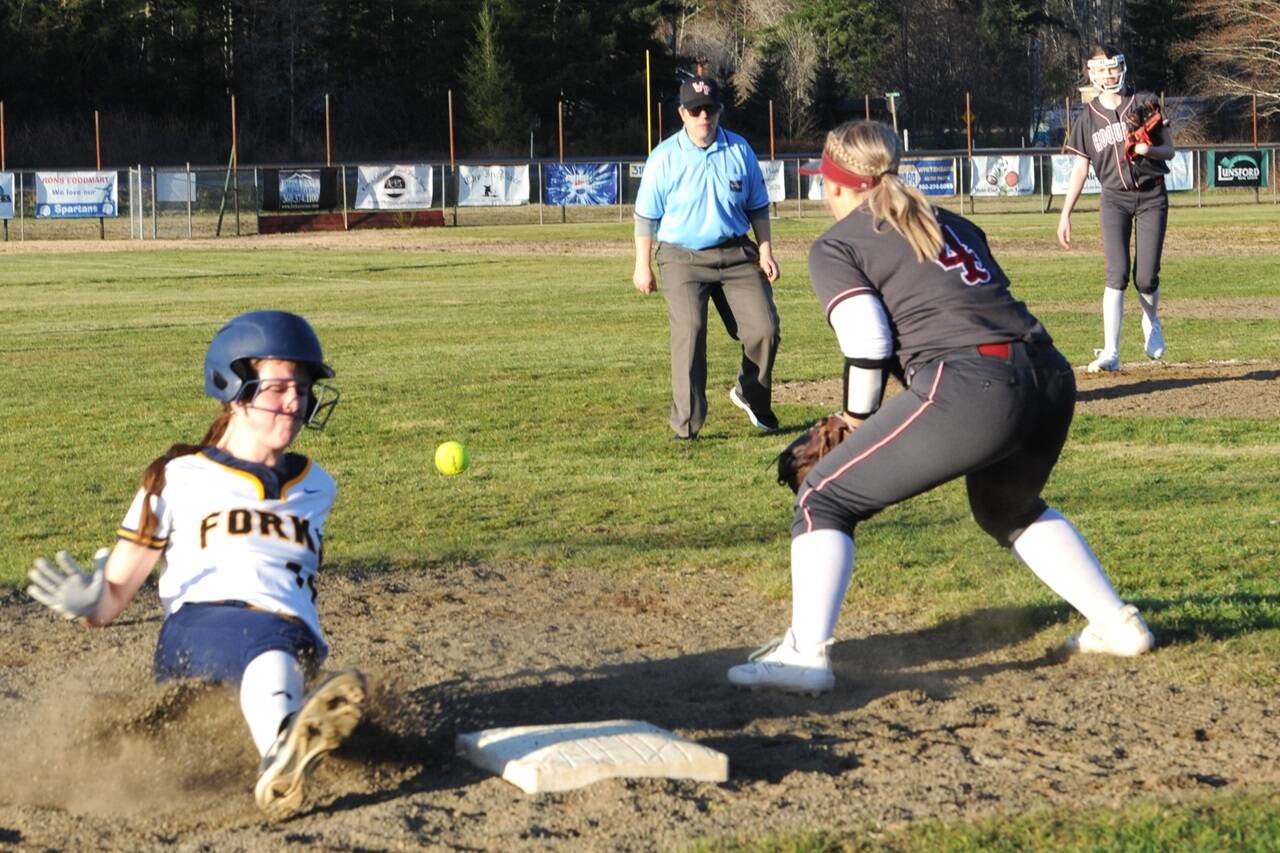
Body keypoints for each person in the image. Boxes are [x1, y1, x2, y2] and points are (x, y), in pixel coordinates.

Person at [727, 120, 1154, 695]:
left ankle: (804, 656)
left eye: (821, 182)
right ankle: (1116, 624)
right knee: (1007, 508)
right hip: (1048, 375)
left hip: (974, 384)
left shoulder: (839, 243)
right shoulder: (950, 221)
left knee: (824, 498)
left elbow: (868, 340)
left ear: (837, 185)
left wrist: (855, 419)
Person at [26, 310, 366, 820]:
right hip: (200, 633)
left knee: (283, 640)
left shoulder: (319, 486)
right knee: (265, 640)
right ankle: (283, 748)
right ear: (233, 388)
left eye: (302, 388)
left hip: (294, 639)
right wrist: (87, 599)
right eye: (277, 388)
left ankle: (291, 726)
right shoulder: (178, 476)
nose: (295, 402)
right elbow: (112, 599)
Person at [633, 76, 781, 440]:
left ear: (719, 111)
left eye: (710, 109)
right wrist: (642, 265)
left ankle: (751, 394)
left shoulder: (739, 150)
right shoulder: (664, 157)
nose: (704, 117)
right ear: (682, 113)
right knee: (691, 332)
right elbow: (645, 216)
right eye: (696, 110)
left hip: (735, 252)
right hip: (681, 257)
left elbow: (758, 207)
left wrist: (765, 251)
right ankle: (686, 426)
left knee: (765, 329)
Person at [1057, 46, 1176, 372]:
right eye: (1102, 70)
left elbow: (1170, 151)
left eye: (1113, 68)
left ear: (1121, 69)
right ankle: (1111, 351)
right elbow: (1080, 168)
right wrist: (1065, 213)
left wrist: (1146, 148)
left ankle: (1152, 322)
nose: (1109, 75)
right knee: (1117, 273)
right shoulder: (1087, 117)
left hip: (1151, 195)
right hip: (1114, 199)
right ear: (1092, 74)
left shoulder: (1144, 102)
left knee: (1146, 277)